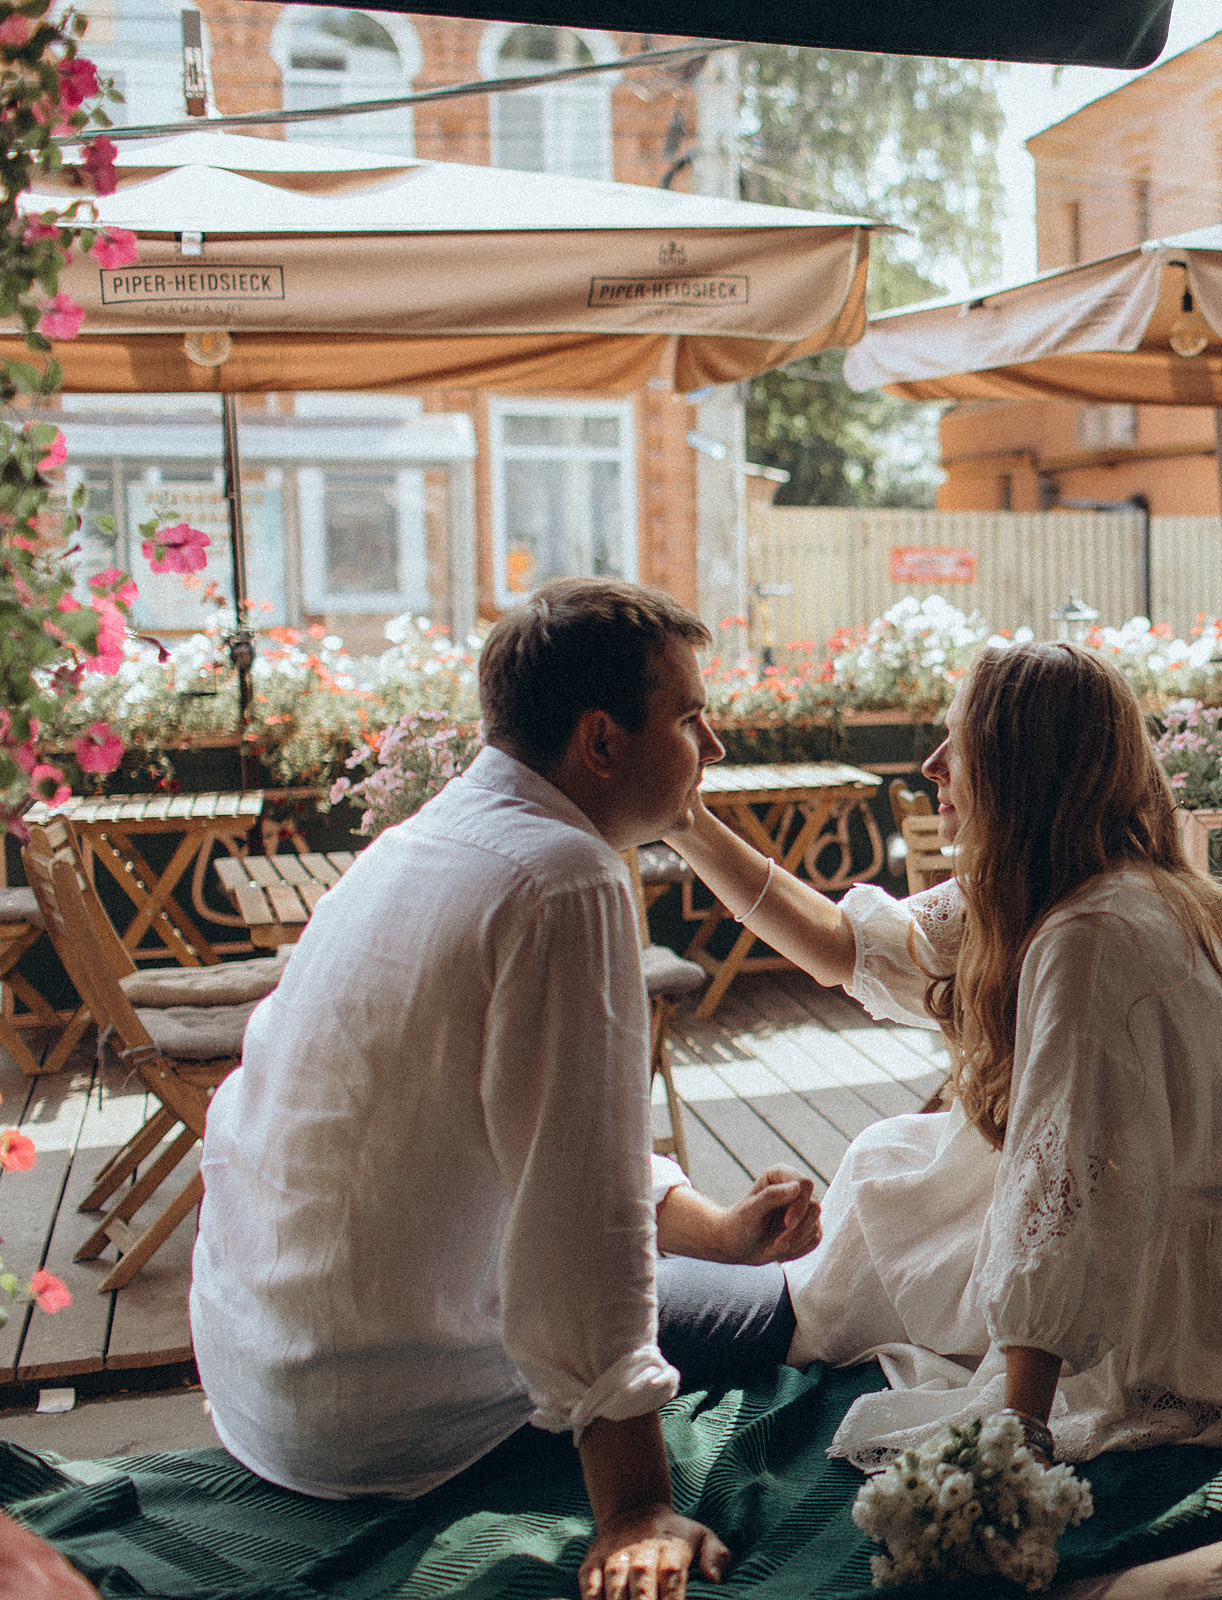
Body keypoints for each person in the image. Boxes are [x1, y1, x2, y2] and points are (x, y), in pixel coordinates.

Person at [191, 579, 822, 1600]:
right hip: (392, 1415)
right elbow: (579, 1220)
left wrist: (715, 1227)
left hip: (271, 1379)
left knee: (741, 1280)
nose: (714, 747)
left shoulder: (425, 836)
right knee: (804, 1313)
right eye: (693, 718)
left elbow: (534, 1130)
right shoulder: (564, 874)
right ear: (601, 742)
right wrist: (632, 1508)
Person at [664, 640, 1222, 1465]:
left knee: (865, 1212)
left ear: (1020, 767)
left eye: (958, 745)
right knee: (890, 1172)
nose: (931, 765)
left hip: (1200, 1333)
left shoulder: (1093, 934)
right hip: (1206, 1253)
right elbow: (848, 947)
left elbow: (1067, 1197)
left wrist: (1017, 1433)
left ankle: (734, 1315)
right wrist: (687, 823)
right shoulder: (1072, 881)